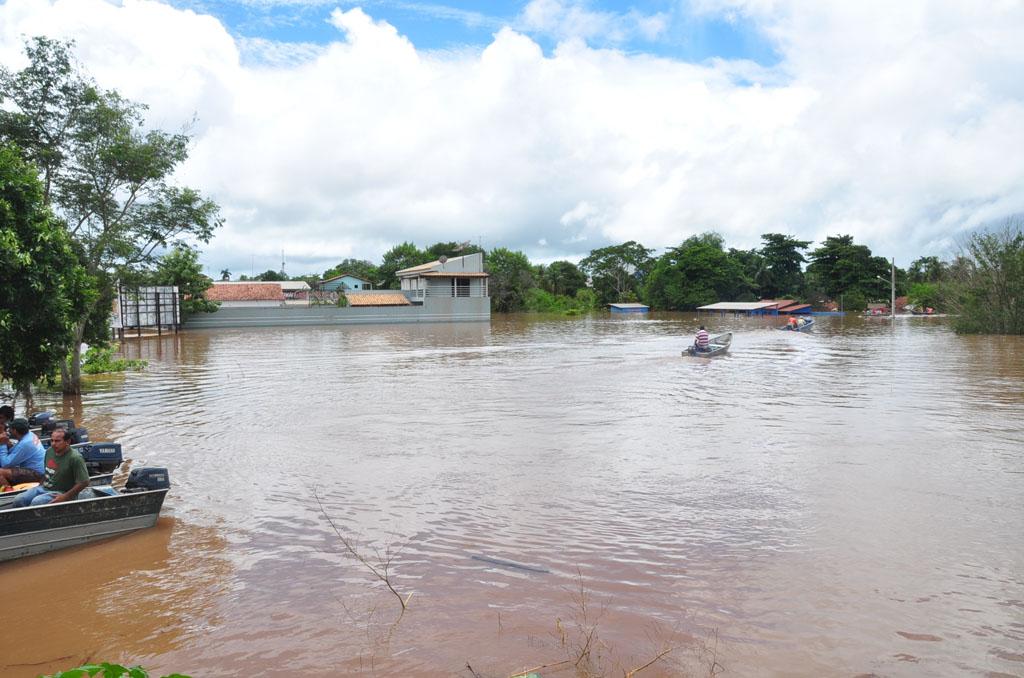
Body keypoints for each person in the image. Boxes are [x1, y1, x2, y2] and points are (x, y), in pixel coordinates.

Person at [11, 428, 89, 507]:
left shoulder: (75, 458)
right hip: (45, 488)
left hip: (62, 492)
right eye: (52, 440)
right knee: (19, 499)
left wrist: (65, 497)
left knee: (37, 502)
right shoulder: (49, 451)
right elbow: (47, 472)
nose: (53, 444)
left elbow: (84, 482)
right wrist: (38, 487)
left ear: (67, 442)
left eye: (57, 441)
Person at [0, 417, 46, 490]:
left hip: (37, 473)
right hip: (38, 469)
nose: (9, 431)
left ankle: (8, 492)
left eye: (10, 429)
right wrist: (7, 443)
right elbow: (15, 451)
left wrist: (2, 444)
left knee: (1, 472)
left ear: (15, 431)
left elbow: (5, 464)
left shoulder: (25, 443)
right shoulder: (30, 434)